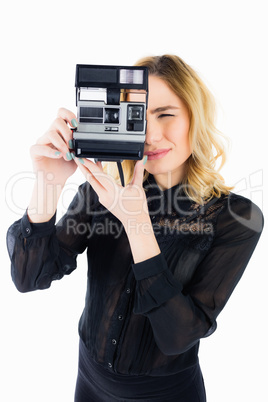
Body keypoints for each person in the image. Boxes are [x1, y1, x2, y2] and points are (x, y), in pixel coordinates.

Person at [7, 55, 264, 402]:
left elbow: (178, 336)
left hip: (168, 394)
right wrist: (47, 185)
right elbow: (29, 277)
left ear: (194, 117)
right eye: (141, 117)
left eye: (166, 114)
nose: (152, 135)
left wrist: (137, 225)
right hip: (90, 382)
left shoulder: (235, 217)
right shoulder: (100, 192)